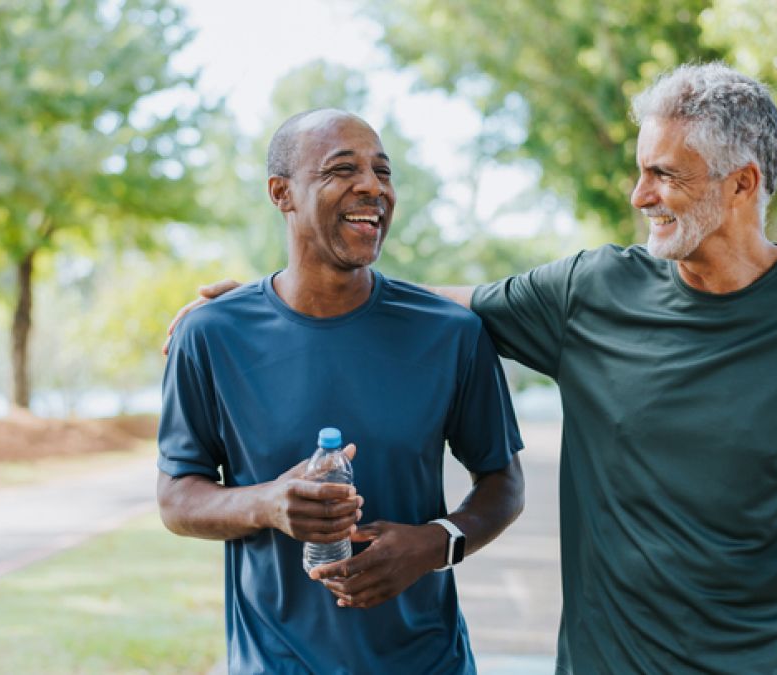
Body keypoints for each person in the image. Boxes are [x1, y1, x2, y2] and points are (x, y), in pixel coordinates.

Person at [167, 64, 777, 674]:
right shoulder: (593, 290)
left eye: (665, 175)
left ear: (742, 183)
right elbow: (439, 305)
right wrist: (266, 296)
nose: (640, 195)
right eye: (642, 170)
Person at [158, 108, 525, 675]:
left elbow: (503, 482)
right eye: (341, 169)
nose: (372, 187)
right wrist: (267, 502)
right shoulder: (211, 335)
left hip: (429, 661)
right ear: (282, 193)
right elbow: (177, 499)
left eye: (383, 171)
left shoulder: (451, 333)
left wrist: (436, 543)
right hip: (275, 663)